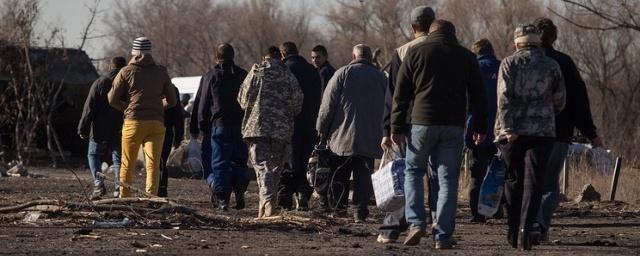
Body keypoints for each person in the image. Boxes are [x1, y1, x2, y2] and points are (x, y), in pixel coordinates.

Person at [391, 20, 488, 249]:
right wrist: (481, 128)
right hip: (453, 126)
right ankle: (442, 235)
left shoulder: (415, 52)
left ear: (430, 33)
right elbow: (479, 96)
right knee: (447, 179)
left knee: (413, 172)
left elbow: (400, 93)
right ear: (453, 34)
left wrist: (396, 127)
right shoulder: (466, 56)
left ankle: (416, 223)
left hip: (421, 123)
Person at [494, 24, 565, 250]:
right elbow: (560, 99)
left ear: (517, 43)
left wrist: (508, 128)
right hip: (543, 131)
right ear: (538, 42)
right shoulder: (552, 65)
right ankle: (527, 229)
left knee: (513, 179)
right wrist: (544, 114)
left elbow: (503, 98)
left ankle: (513, 228)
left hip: (513, 132)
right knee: (535, 181)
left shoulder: (509, 63)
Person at [533, 18, 602, 243]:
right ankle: (541, 226)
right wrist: (590, 132)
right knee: (550, 182)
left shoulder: (523, 61)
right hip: (559, 132)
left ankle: (529, 223)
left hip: (527, 132)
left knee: (529, 179)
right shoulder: (565, 62)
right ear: (555, 37)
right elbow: (579, 102)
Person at [378, 5, 435, 244]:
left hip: (408, 123)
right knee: (437, 176)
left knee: (402, 175)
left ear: (413, 27)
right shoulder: (448, 50)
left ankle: (393, 228)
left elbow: (393, 96)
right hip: (441, 122)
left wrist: (388, 129)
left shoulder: (402, 52)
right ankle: (439, 226)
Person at [316, 44, 388, 223]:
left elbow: (327, 106)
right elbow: (390, 106)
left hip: (342, 136)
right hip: (371, 137)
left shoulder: (342, 74)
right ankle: (360, 211)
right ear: (371, 58)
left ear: (353, 56)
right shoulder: (381, 78)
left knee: (339, 171)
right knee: (363, 174)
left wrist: (321, 129)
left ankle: (339, 208)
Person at [238, 46, 303, 218]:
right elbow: (297, 104)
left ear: (263, 57)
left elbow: (242, 100)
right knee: (275, 168)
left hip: (257, 127)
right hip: (281, 130)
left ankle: (266, 202)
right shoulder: (288, 75)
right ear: (280, 57)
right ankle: (267, 205)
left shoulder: (255, 73)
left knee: (262, 167)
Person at [108, 37, 177, 197]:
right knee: (153, 165)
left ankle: (125, 198)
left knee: (127, 164)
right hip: (156, 123)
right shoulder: (161, 72)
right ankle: (151, 198)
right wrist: (159, 106)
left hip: (133, 122)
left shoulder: (126, 71)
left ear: (134, 53)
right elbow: (172, 100)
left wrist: (125, 107)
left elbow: (111, 99)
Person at [198, 43, 250, 211]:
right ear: (233, 56)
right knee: (240, 160)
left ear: (217, 57)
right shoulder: (243, 75)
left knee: (220, 163)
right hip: (241, 126)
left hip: (219, 126)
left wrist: (201, 125)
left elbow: (203, 103)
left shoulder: (211, 76)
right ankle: (240, 191)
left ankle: (223, 199)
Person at [279, 41, 322, 211]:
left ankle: (285, 198)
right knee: (306, 162)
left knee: (288, 162)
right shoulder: (312, 71)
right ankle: (303, 194)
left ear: (283, 54)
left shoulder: (283, 70)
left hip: (289, 124)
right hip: (309, 123)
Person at [78, 56, 127, 199]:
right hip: (120, 128)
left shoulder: (100, 82)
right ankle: (119, 189)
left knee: (93, 155)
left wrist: (83, 129)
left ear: (110, 67)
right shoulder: (127, 84)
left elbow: (89, 108)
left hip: (99, 128)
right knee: (118, 158)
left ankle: (99, 186)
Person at [466, 38, 500, 223]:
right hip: (501, 129)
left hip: (476, 128)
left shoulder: (473, 69)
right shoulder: (502, 67)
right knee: (500, 170)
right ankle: (498, 207)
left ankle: (477, 212)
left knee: (477, 172)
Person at [158, 85, 184, 197]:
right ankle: (162, 190)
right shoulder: (172, 89)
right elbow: (178, 114)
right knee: (163, 161)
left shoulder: (149, 85)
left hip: (151, 127)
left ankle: (153, 189)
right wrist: (178, 136)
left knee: (153, 162)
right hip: (166, 129)